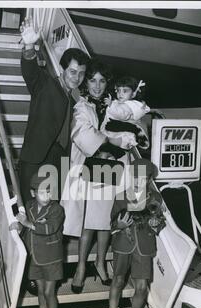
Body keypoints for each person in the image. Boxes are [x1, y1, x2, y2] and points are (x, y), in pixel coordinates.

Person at [61, 58, 135, 293]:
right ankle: (81, 267)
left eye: (102, 81)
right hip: (90, 167)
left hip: (112, 168)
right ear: (86, 83)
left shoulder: (115, 105)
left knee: (104, 221)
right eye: (92, 80)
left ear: (108, 83)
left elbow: (129, 129)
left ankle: (101, 262)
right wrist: (110, 143)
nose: (97, 85)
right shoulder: (82, 106)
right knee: (87, 223)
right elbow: (82, 134)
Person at [19, 17, 89, 204]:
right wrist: (29, 47)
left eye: (81, 73)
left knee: (53, 211)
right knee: (32, 209)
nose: (77, 77)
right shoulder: (45, 84)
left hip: (59, 161)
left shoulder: (74, 99)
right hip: (37, 158)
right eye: (73, 71)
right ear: (63, 69)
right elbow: (30, 72)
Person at [104, 158, 165, 308]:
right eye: (135, 176)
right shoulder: (121, 196)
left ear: (148, 179)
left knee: (142, 288)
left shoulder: (155, 198)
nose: (139, 180)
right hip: (123, 244)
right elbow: (112, 223)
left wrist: (157, 225)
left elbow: (159, 220)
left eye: (143, 177)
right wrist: (119, 225)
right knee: (118, 280)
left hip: (144, 247)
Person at [16, 171, 65, 308]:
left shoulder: (57, 209)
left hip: (51, 258)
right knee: (40, 292)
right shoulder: (29, 205)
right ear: (33, 192)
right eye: (42, 192)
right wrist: (18, 225)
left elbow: (48, 229)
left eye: (50, 192)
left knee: (49, 292)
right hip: (34, 257)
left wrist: (28, 223)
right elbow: (27, 227)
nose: (47, 196)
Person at [102, 76, 151, 151]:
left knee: (114, 139)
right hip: (114, 130)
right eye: (118, 90)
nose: (120, 94)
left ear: (134, 94)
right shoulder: (122, 102)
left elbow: (122, 115)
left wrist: (111, 105)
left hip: (120, 132)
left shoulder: (129, 105)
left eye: (125, 91)